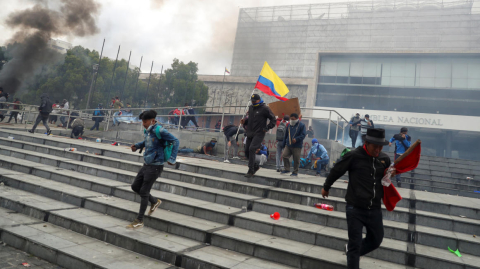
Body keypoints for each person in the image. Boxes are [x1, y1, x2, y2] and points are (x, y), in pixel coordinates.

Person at [321, 128, 395, 269]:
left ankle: (351, 252)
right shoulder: (354, 156)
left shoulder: (384, 159)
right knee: (355, 244)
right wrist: (327, 186)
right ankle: (353, 253)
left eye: (381, 146)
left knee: (376, 240)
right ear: (367, 143)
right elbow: (337, 169)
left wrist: (391, 174)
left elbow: (385, 181)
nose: (378, 149)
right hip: (355, 207)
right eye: (375, 146)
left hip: (374, 208)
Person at [128, 110, 179, 229]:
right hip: (147, 163)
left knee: (144, 191)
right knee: (135, 186)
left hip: (156, 166)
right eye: (142, 121)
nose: (143, 124)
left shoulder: (160, 130)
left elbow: (175, 141)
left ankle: (139, 220)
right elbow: (147, 142)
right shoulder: (148, 130)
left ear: (152, 120)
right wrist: (137, 146)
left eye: (145, 121)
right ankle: (154, 201)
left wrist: (172, 158)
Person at [241, 94, 276, 178]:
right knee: (246, 151)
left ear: (259, 100)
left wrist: (267, 127)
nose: (253, 102)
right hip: (250, 132)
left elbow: (273, 119)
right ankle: (255, 166)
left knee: (252, 148)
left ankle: (251, 170)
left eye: (254, 101)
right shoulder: (251, 107)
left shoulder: (265, 108)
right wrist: (244, 122)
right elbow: (250, 119)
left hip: (259, 133)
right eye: (252, 101)